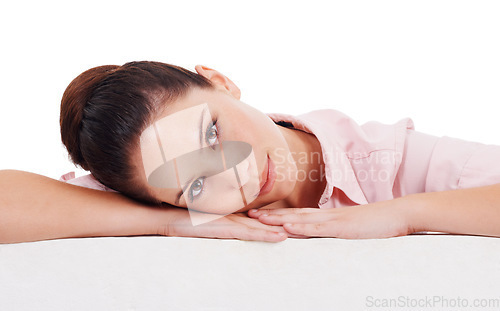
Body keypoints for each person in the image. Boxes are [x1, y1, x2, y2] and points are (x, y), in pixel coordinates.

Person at [2, 61, 500, 244]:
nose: (232, 176)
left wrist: (403, 214)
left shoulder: (380, 156)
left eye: (212, 134)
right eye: (194, 185)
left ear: (221, 82)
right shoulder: (153, 197)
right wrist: (167, 222)